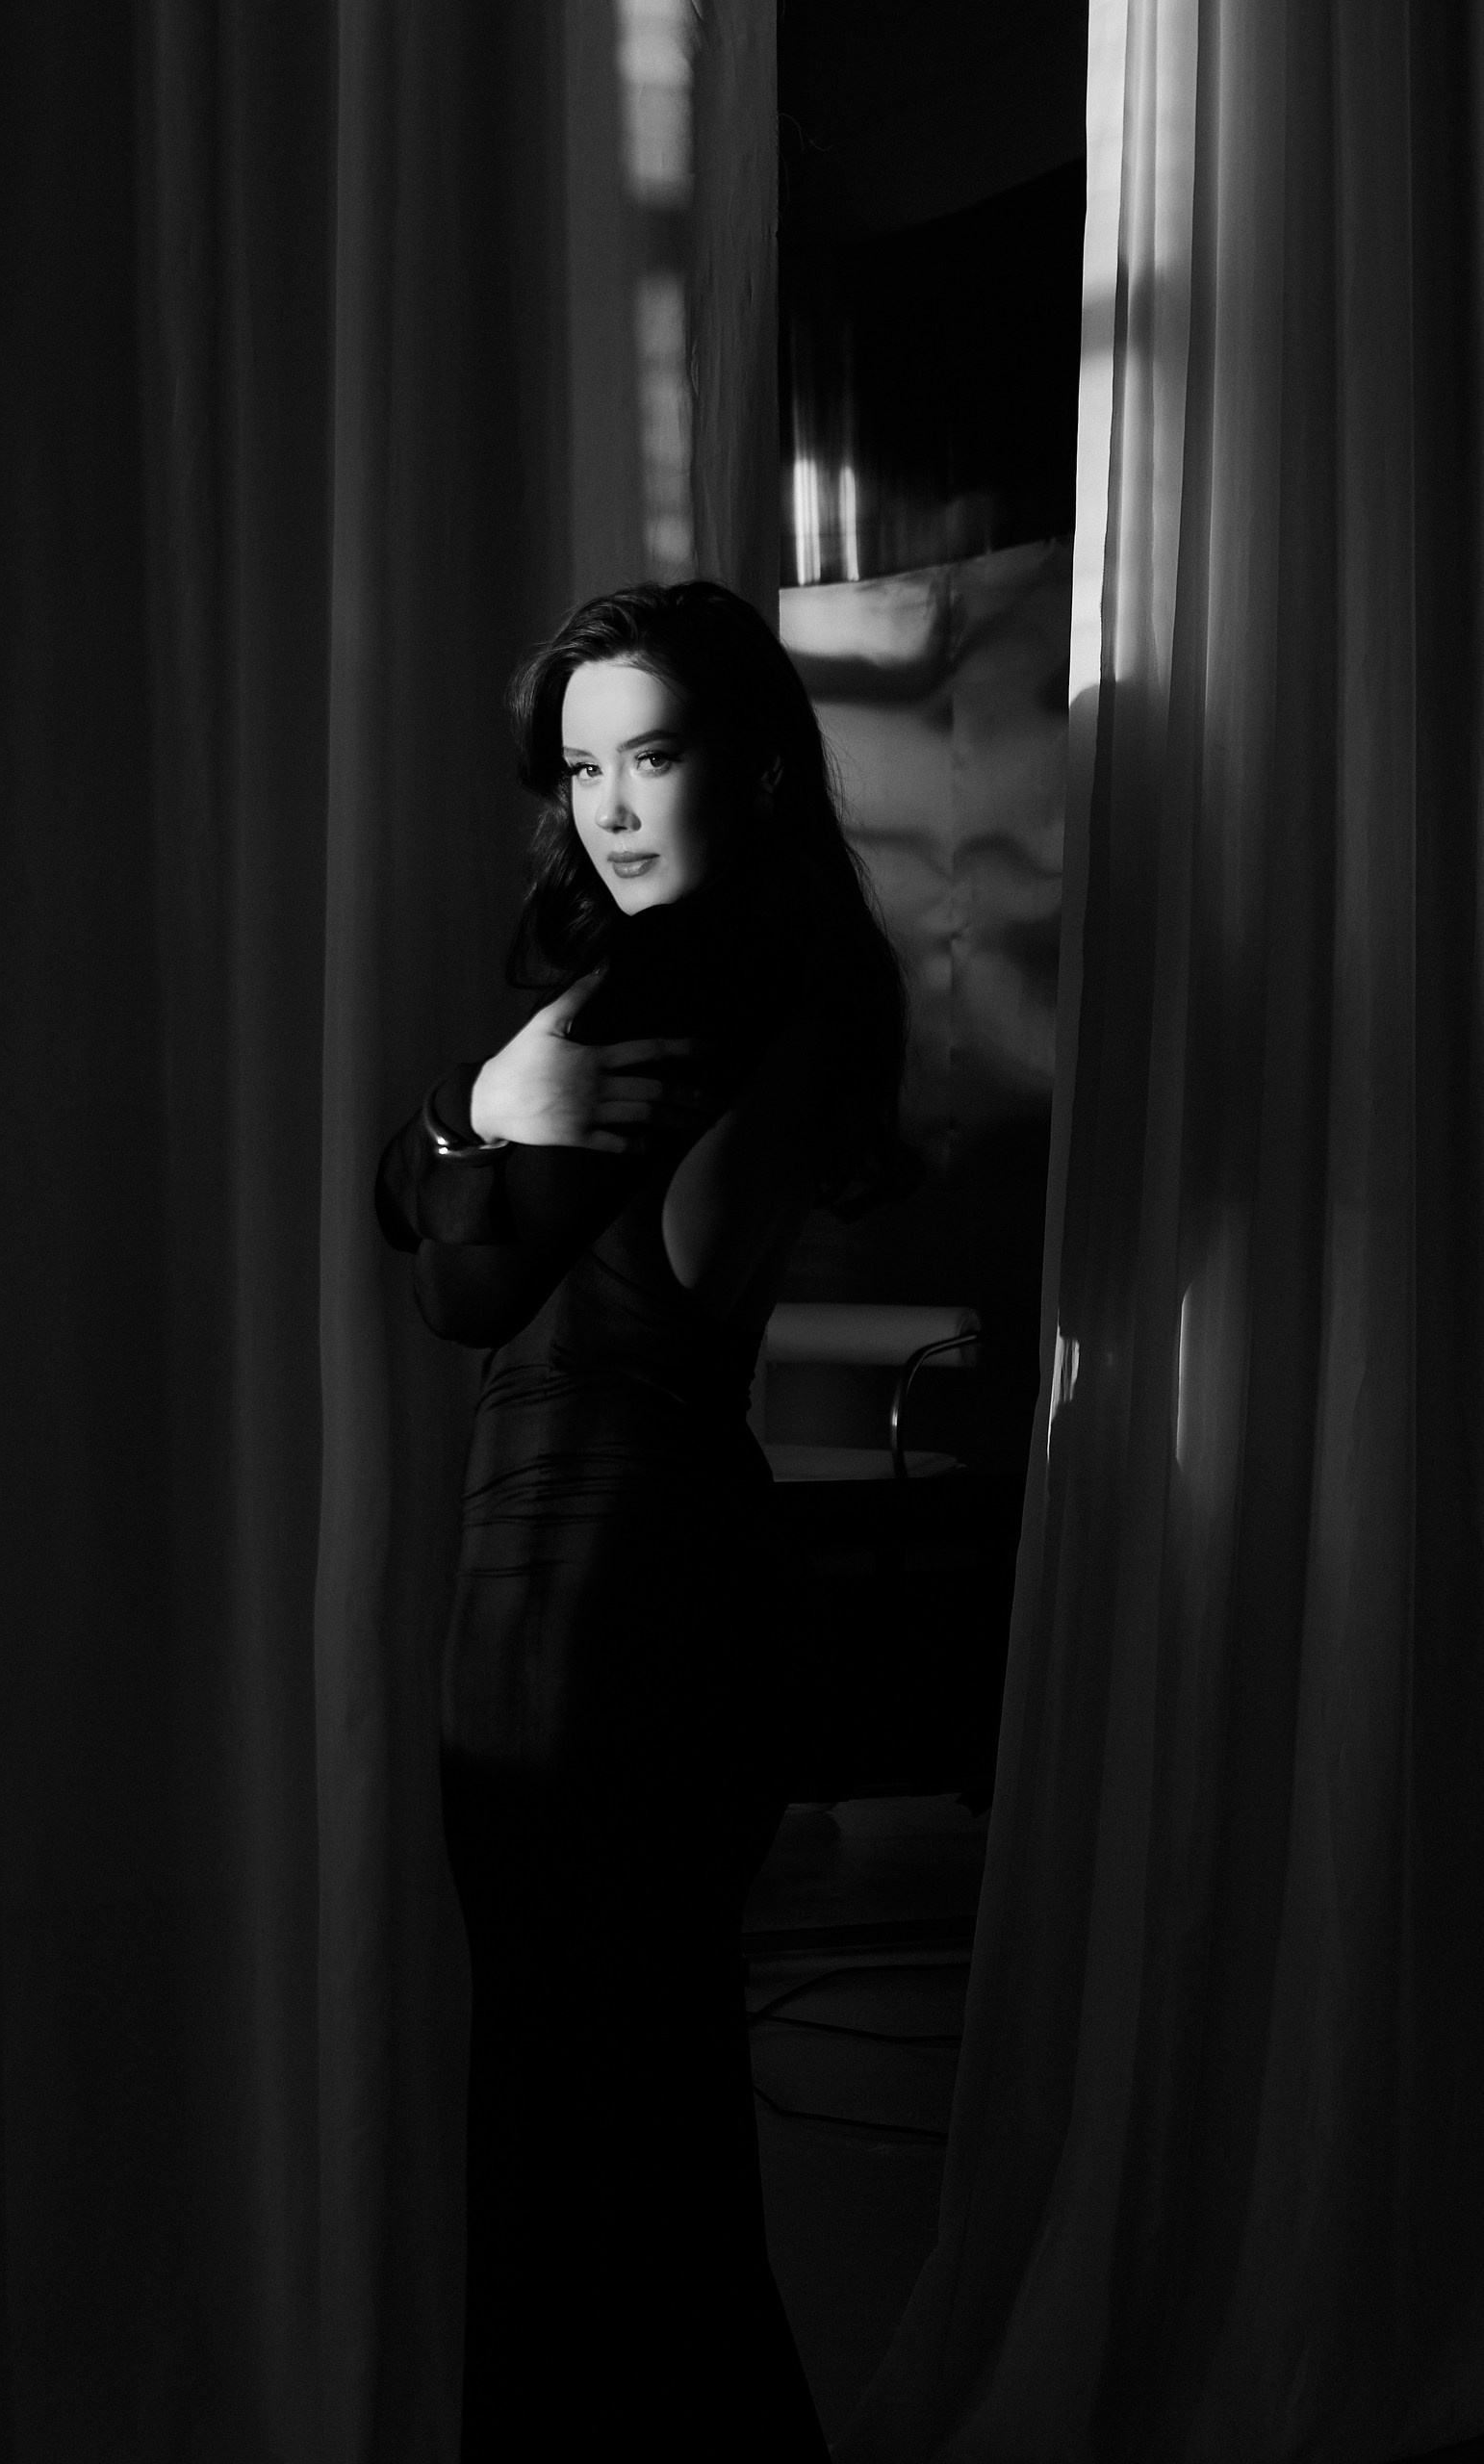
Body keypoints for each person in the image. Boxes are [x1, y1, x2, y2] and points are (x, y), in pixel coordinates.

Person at [375, 580, 912, 2460]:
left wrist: (456, 1124)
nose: (606, 808)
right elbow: (413, 1191)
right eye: (582, 767)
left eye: (653, 756)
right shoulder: (780, 958)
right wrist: (470, 1113)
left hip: (597, 1604)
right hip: (635, 1576)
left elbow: (456, 1279)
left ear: (753, 768)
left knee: (587, 2147)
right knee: (635, 2138)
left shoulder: (695, 970)